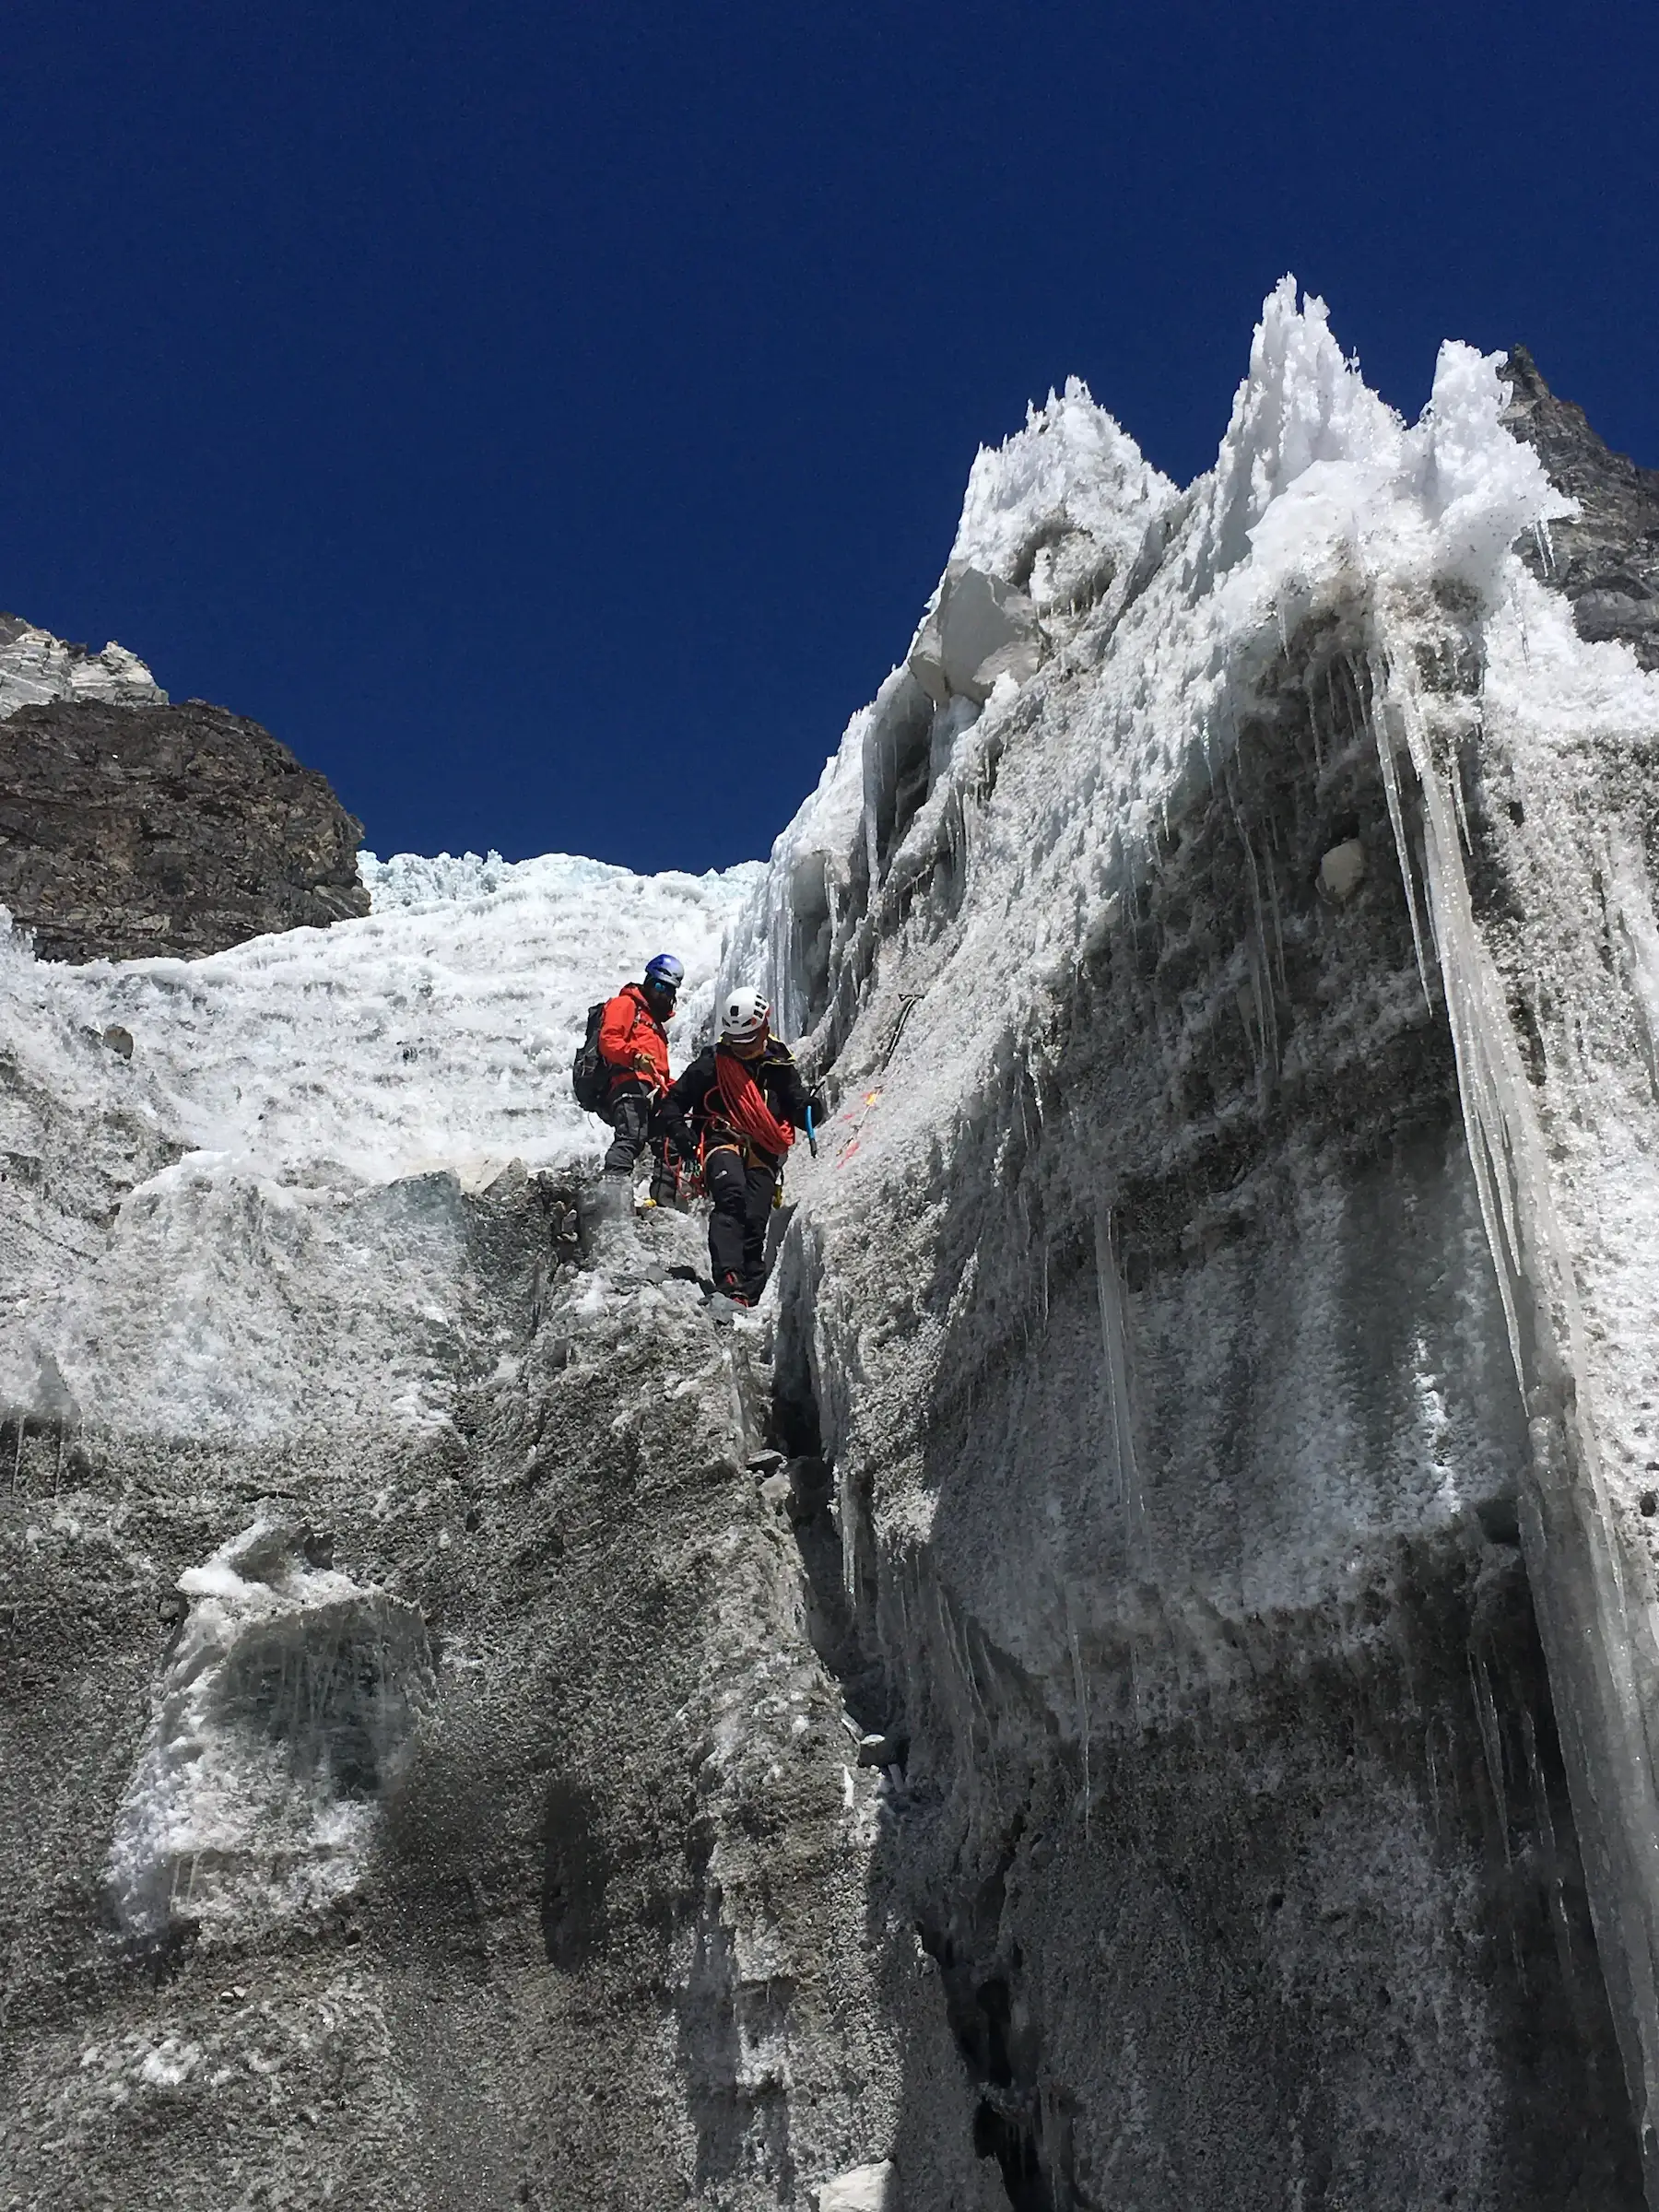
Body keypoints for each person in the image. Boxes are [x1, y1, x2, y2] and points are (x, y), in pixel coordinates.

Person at [658, 984, 822, 1308]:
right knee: (732, 1196)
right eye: (737, 1042)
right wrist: (683, 1136)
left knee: (756, 1213)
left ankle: (750, 1284)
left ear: (764, 1028)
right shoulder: (712, 1064)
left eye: (748, 1041)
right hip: (722, 1139)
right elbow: (673, 1103)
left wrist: (809, 1111)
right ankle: (729, 1278)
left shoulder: (778, 1062)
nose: (743, 1048)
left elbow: (794, 1100)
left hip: (763, 1147)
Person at [597, 953, 683, 1198]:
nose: (663, 994)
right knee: (632, 1136)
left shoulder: (654, 1025)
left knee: (670, 1142)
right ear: (647, 981)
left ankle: (664, 1204)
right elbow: (609, 1040)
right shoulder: (625, 1004)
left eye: (668, 990)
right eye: (658, 986)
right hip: (627, 1084)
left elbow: (659, 1071)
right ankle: (610, 1200)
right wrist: (634, 1057)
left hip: (653, 1091)